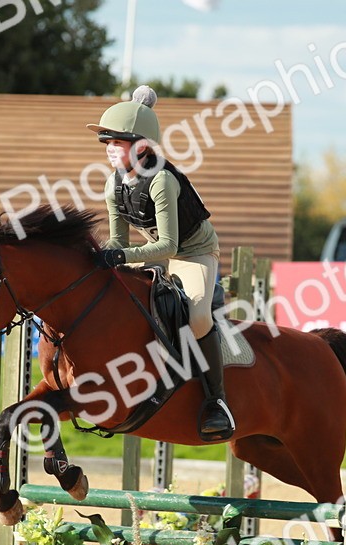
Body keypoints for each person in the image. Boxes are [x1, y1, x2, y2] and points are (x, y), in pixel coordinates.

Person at [87, 85, 234, 442]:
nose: (109, 150)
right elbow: (120, 242)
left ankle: (217, 401)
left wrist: (122, 256)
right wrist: (103, 257)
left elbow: (170, 245)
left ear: (140, 146)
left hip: (194, 253)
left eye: (116, 143)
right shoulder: (113, 184)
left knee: (198, 318)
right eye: (107, 143)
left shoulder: (162, 180)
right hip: (157, 251)